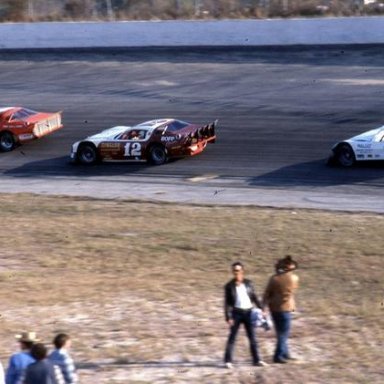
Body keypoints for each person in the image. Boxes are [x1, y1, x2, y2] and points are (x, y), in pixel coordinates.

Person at [224, 261, 267, 368]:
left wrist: (262, 308)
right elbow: (227, 304)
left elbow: (254, 297)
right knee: (232, 337)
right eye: (234, 270)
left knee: (252, 337)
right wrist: (228, 317)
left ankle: (257, 360)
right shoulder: (229, 286)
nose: (236, 272)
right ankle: (228, 361)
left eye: (238, 270)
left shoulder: (249, 283)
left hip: (249, 312)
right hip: (236, 313)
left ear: (242, 271)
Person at [263, 255, 299, 364]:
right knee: (284, 334)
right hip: (286, 308)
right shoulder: (294, 278)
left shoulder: (274, 278)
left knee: (280, 333)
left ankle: (285, 353)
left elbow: (267, 293)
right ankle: (278, 356)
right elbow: (293, 289)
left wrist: (263, 307)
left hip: (274, 308)